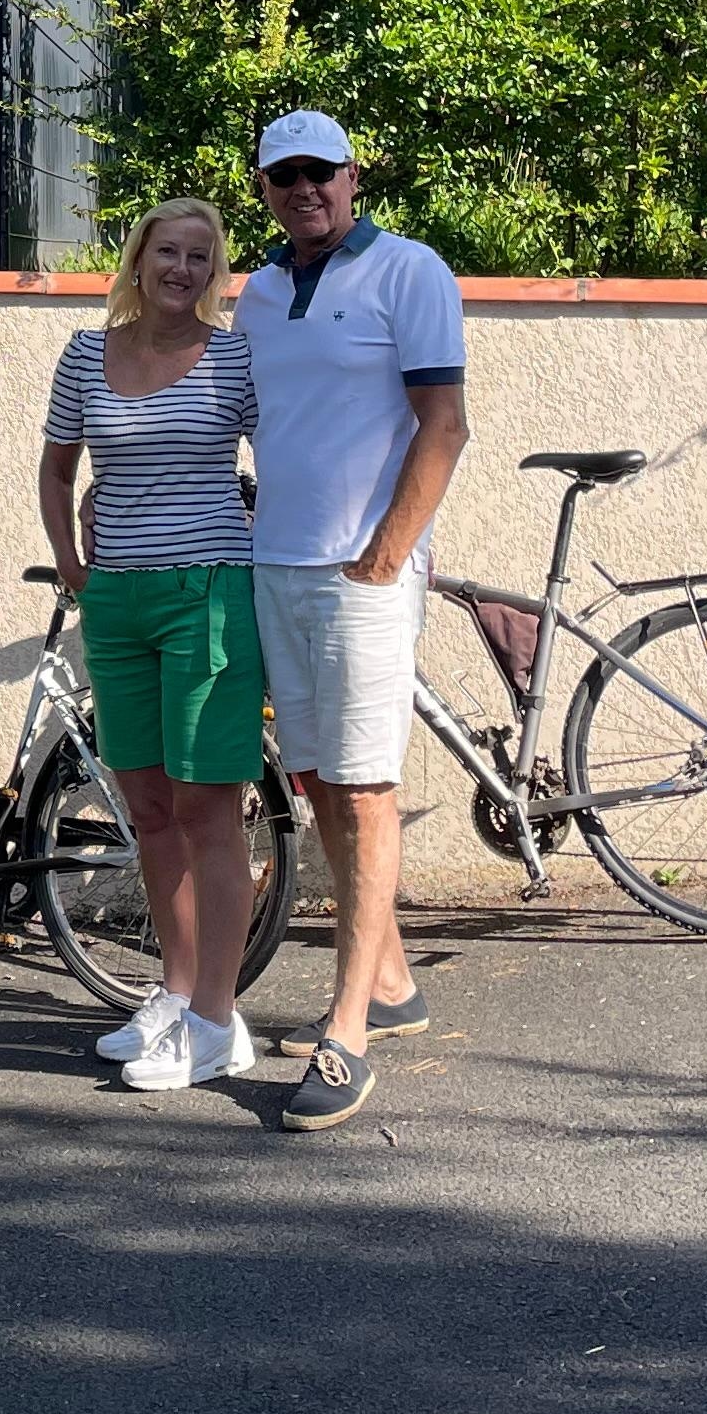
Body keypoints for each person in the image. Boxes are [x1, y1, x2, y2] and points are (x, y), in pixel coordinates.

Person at [237, 109, 468, 1133]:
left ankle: (348, 1034)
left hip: (363, 577)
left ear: (352, 174)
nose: (305, 189)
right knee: (321, 779)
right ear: (265, 190)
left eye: (320, 172)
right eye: (285, 176)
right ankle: (392, 985)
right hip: (276, 566)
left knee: (367, 790)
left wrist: (383, 559)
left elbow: (444, 426)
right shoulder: (257, 291)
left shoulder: (410, 271)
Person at [38, 196, 264, 1095]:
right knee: (151, 809)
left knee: (208, 808)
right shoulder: (85, 354)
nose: (182, 269)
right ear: (137, 260)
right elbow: (58, 467)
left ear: (215, 272)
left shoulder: (236, 358)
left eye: (200, 257)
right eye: (167, 251)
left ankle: (217, 1020)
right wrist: (72, 566)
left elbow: (282, 464)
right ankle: (175, 996)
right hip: (118, 602)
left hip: (209, 595)